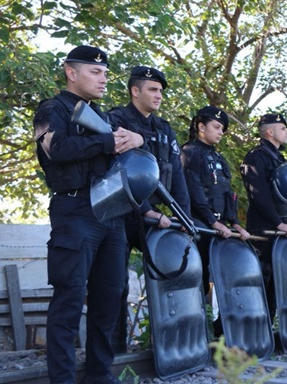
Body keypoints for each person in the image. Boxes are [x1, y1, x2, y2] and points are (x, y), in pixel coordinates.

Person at [33, 45, 139, 384]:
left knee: (109, 301)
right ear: (71, 72)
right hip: (74, 210)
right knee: (69, 301)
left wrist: (135, 138)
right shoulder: (53, 108)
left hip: (111, 213)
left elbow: (124, 152)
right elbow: (56, 149)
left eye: (106, 72)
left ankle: (99, 376)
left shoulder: (103, 115)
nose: (103, 78)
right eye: (95, 71)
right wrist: (106, 142)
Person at [108, 66, 191, 351]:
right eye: (153, 90)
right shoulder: (116, 119)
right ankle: (117, 350)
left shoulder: (164, 128)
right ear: (135, 91)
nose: (159, 96)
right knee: (116, 284)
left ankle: (170, 346)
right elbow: (119, 170)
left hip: (161, 218)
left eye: (161, 91)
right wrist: (144, 211)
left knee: (171, 276)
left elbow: (176, 176)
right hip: (124, 214)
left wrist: (185, 219)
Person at [240, 113, 287, 318]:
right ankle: (237, 329)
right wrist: (278, 223)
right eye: (283, 128)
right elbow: (258, 195)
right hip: (265, 227)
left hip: (283, 228)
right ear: (270, 131)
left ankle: (268, 326)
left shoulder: (280, 159)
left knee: (278, 281)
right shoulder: (256, 157)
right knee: (263, 278)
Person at [181, 105, 251, 295]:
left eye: (222, 129)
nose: (221, 132)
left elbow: (227, 193)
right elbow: (194, 192)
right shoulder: (190, 152)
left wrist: (235, 223)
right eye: (217, 127)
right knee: (197, 282)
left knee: (221, 285)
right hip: (199, 228)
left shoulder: (218, 157)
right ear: (201, 127)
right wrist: (212, 222)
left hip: (219, 230)